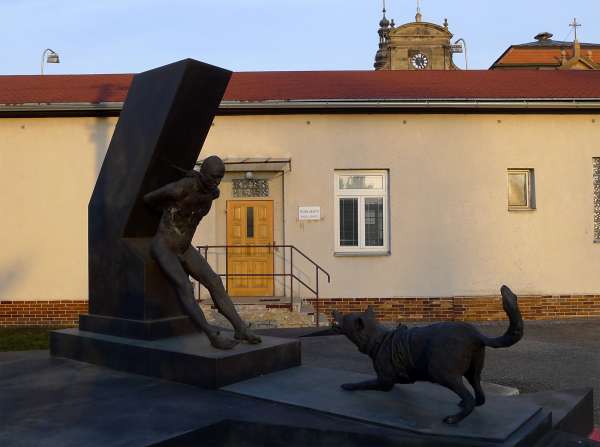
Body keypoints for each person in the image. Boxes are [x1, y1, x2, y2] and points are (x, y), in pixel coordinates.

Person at [144, 155, 261, 349]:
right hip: (164, 245)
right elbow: (148, 199)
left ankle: (240, 327)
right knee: (185, 287)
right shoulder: (179, 188)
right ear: (203, 174)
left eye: (220, 177)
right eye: (213, 177)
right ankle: (211, 334)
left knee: (214, 281)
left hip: (185, 246)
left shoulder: (212, 193)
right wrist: (167, 212)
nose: (217, 182)